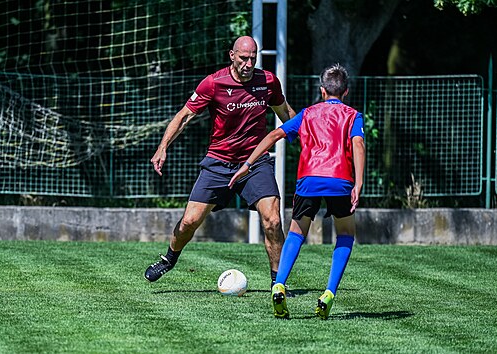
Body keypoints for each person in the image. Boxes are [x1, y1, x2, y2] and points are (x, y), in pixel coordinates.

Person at [144, 36, 296, 287]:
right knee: (189, 222)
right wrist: (162, 147)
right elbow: (183, 117)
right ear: (232, 55)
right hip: (218, 162)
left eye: (252, 58)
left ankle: (277, 283)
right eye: (243, 58)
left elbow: (287, 115)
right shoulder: (214, 83)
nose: (248, 64)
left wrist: (311, 140)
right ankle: (169, 259)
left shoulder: (268, 82)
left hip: (255, 163)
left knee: (273, 220)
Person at [229, 63, 365, 319]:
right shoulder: (353, 115)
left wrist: (247, 165)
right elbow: (358, 144)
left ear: (322, 90)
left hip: (309, 179)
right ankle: (329, 293)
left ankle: (279, 283)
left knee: (296, 233)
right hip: (340, 180)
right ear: (345, 92)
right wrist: (358, 183)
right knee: (345, 234)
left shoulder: (307, 113)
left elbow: (273, 136)